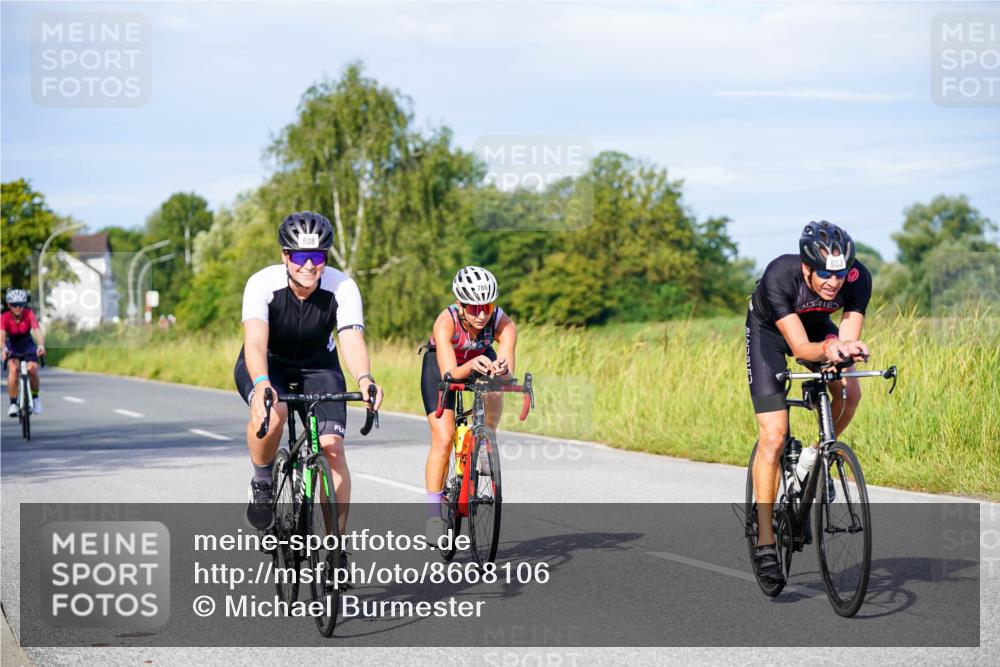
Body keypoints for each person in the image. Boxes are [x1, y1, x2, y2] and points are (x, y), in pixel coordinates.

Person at [234, 211, 383, 534]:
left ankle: (336, 547)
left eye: (316, 256)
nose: (309, 265)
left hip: (318, 365)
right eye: (301, 256)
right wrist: (261, 384)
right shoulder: (262, 283)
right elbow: (256, 343)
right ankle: (262, 482)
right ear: (285, 256)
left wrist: (365, 379)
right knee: (275, 413)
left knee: (332, 449)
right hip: (267, 362)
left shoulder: (341, 286)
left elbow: (351, 339)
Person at [745, 221, 872, 582]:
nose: (833, 283)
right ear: (806, 268)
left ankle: (814, 458)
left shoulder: (858, 279)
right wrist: (831, 348)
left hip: (817, 327)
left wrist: (843, 352)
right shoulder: (780, 276)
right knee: (774, 435)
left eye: (840, 274)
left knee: (850, 391)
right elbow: (800, 349)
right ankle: (766, 541)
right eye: (823, 275)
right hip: (770, 333)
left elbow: (844, 339)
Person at [420, 266, 517, 540]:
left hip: (480, 359)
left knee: (496, 386)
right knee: (444, 436)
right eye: (473, 308)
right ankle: (433, 516)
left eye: (486, 306)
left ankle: (486, 443)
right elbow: (450, 373)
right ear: (460, 305)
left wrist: (501, 369)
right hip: (441, 366)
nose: (481, 314)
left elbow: (509, 371)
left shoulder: (503, 323)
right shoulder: (445, 322)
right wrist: (473, 363)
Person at [1, 289, 45, 416]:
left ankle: (35, 398)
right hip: (12, 346)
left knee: (32, 369)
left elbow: (37, 331)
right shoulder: (4, 317)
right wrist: (3, 348)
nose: (18, 307)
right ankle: (13, 403)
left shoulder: (29, 314)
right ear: (9, 305)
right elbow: (1, 337)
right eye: (14, 305)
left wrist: (41, 345)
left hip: (28, 345)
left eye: (21, 304)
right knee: (13, 369)